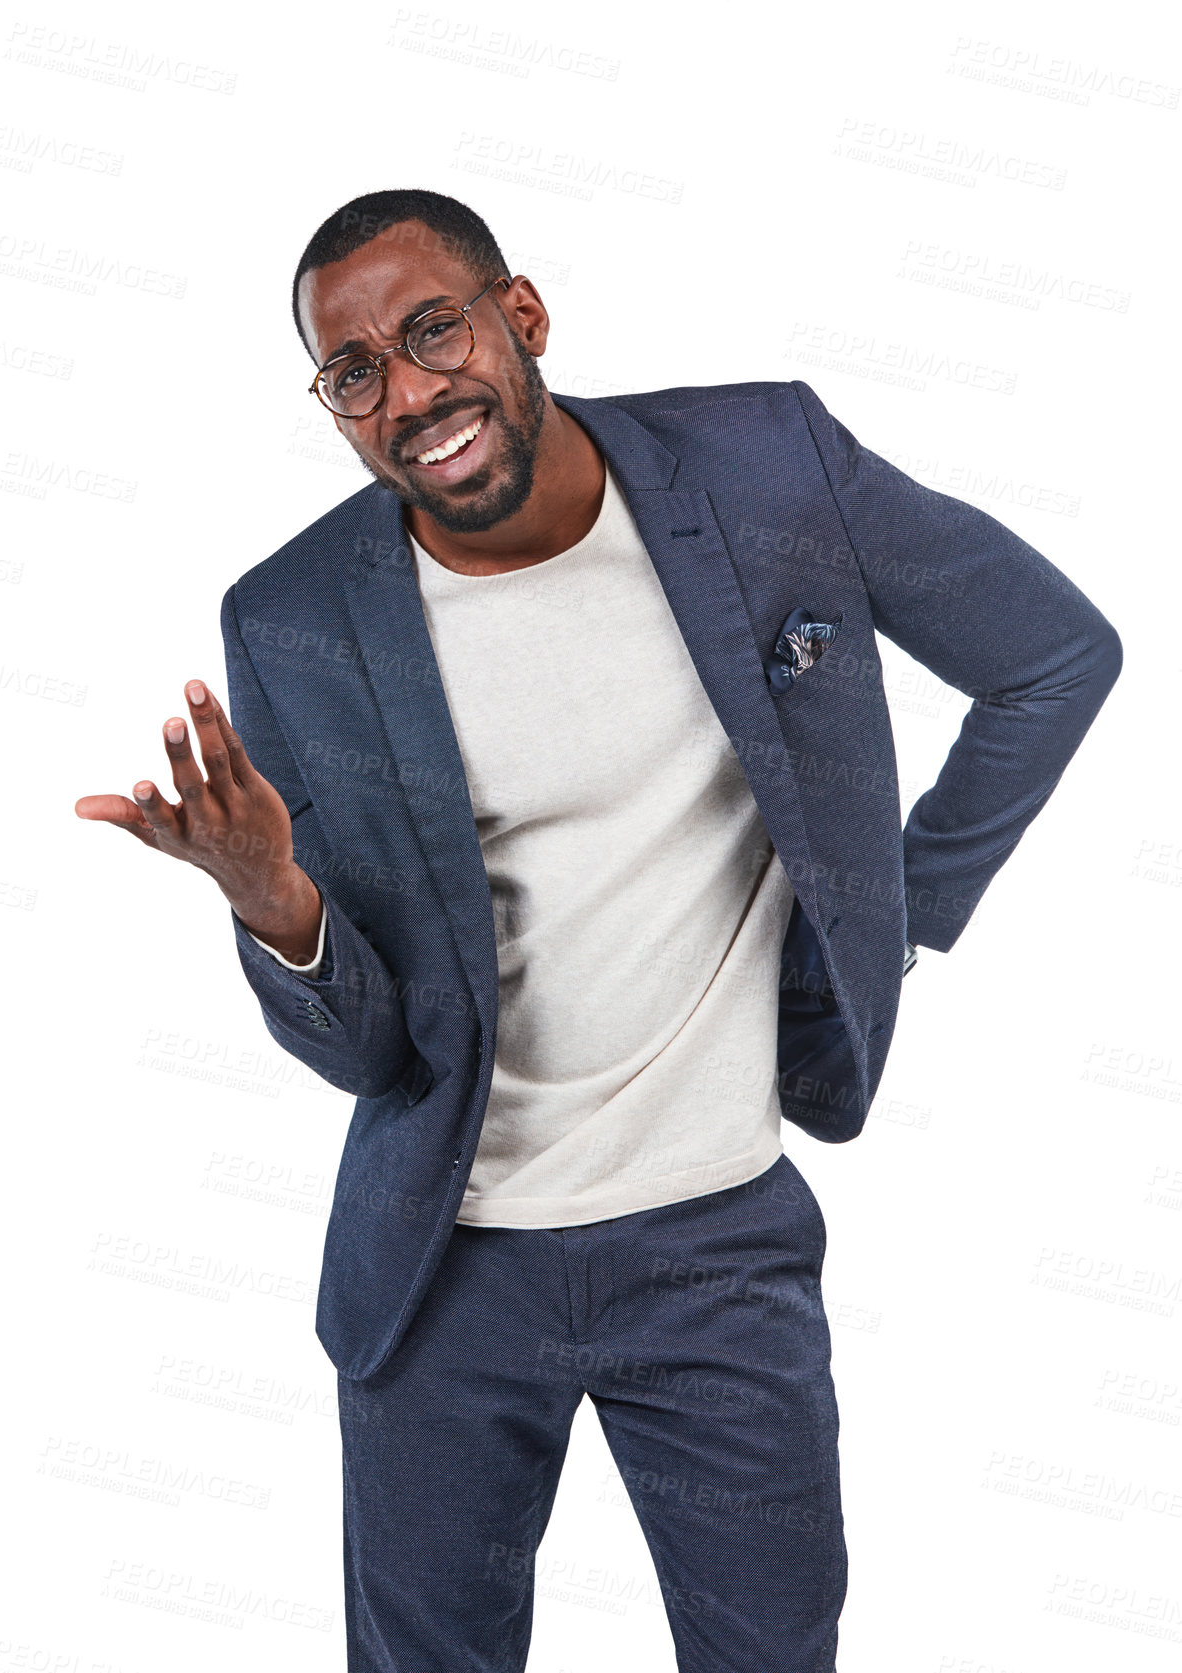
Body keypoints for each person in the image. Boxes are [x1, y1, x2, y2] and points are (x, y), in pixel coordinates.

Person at [76, 189, 1122, 1672]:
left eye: (430, 328)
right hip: (441, 1277)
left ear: (522, 317)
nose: (407, 390)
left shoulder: (766, 466)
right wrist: (273, 901)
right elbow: (371, 1045)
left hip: (716, 1247)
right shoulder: (292, 616)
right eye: (353, 369)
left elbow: (1052, 658)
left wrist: (901, 913)